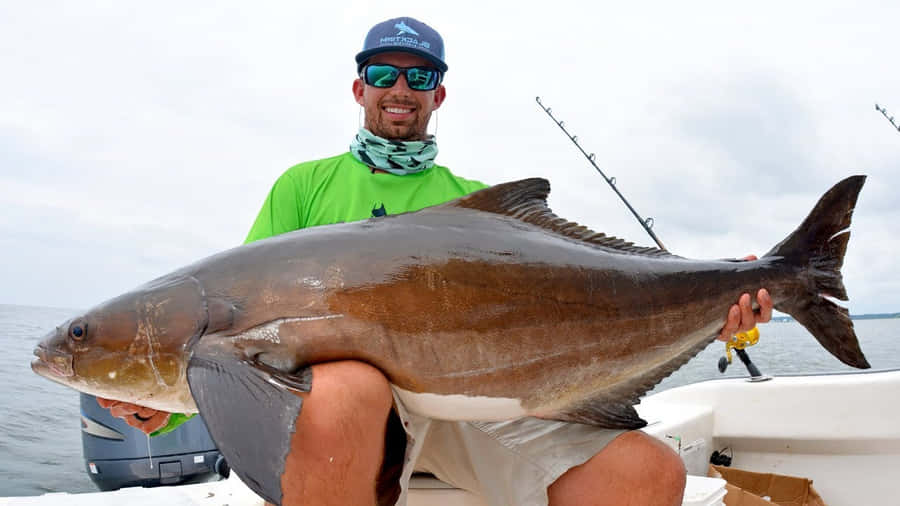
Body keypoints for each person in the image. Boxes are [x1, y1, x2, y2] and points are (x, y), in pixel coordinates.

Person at [98, 16, 773, 506]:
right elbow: (235, 326)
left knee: (650, 474)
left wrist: (720, 303)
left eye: (419, 76)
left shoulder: (473, 207)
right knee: (349, 387)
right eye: (383, 73)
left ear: (437, 95)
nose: (400, 87)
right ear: (359, 88)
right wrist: (164, 407)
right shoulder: (303, 187)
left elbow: (564, 318)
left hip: (465, 406)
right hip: (344, 414)